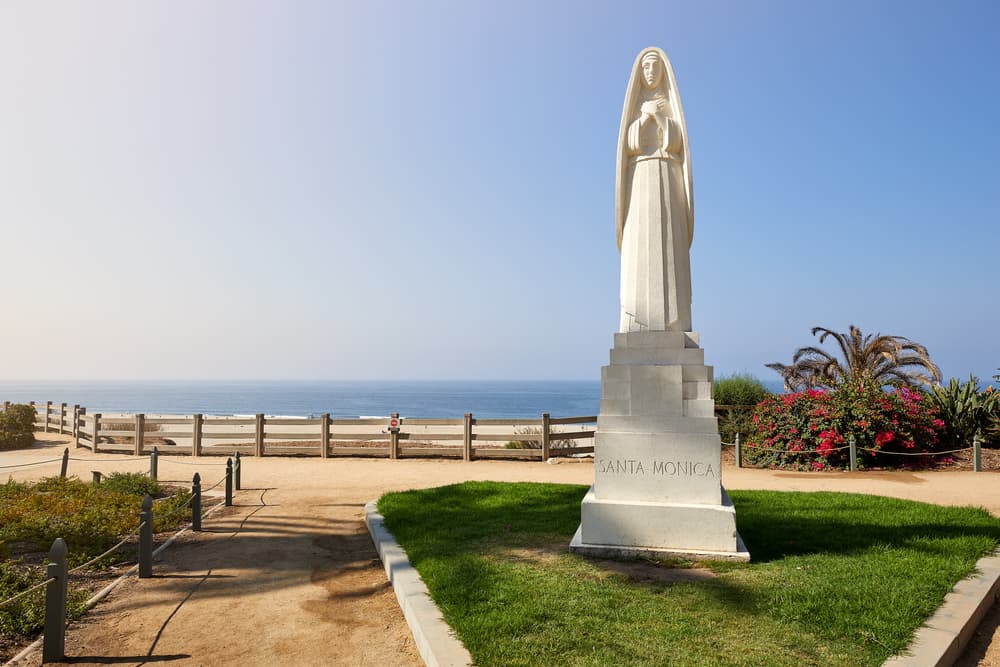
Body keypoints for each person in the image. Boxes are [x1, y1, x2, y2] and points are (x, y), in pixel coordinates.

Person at [616, 48, 694, 333]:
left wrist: (660, 119)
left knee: (668, 243)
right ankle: (637, 317)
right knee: (639, 243)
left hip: (666, 174)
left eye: (655, 68)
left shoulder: (668, 103)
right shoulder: (636, 107)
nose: (650, 73)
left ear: (663, 72)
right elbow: (630, 145)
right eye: (646, 68)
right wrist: (644, 119)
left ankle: (673, 319)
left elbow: (677, 144)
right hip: (640, 176)